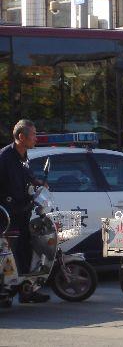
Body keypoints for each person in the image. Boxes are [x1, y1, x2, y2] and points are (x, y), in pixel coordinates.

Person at [0, 120, 50, 304]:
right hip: (8, 215)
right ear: (22, 137)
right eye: (33, 135)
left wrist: (37, 182)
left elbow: (26, 176)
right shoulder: (5, 157)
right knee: (10, 255)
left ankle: (26, 291)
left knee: (26, 251)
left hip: (23, 211)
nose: (36, 138)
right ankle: (5, 293)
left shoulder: (23, 155)